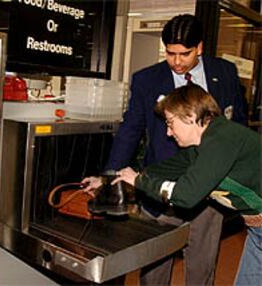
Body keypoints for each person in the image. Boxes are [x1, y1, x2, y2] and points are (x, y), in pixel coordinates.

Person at [83, 14, 248, 285]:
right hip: (160, 189)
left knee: (201, 268)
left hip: (209, 189)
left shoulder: (225, 73)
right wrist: (110, 175)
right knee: (154, 269)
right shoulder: (147, 80)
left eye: (185, 54)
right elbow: (130, 130)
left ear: (200, 48)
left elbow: (237, 124)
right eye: (171, 53)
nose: (177, 61)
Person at [115, 83, 261, 286]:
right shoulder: (202, 147)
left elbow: (186, 195)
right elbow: (165, 169)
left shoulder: (222, 139)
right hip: (257, 228)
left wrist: (140, 181)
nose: (168, 132)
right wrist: (117, 177)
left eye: (170, 123)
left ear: (191, 115)